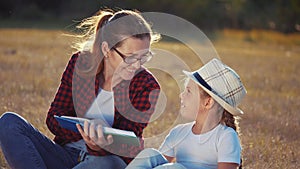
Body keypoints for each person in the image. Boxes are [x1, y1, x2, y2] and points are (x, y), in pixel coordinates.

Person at [0, 9, 161, 169]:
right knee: (9, 123)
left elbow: (130, 145)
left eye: (144, 57)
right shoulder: (80, 63)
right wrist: (86, 131)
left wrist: (98, 146)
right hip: (65, 154)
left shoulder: (146, 86)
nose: (137, 65)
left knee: (105, 163)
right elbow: (53, 119)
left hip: (105, 161)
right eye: (130, 57)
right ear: (106, 49)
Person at [126, 58, 247, 169]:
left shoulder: (226, 136)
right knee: (150, 154)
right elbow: (160, 165)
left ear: (208, 102)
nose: (181, 95)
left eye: (188, 91)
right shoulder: (178, 133)